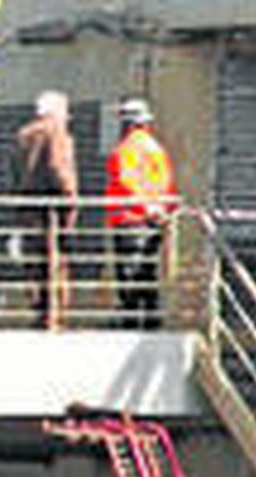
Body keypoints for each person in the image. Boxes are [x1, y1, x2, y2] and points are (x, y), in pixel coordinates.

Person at [105, 97, 175, 330]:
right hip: (153, 222)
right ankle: (152, 323)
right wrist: (163, 211)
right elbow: (167, 184)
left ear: (127, 123)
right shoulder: (156, 149)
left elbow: (126, 181)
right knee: (147, 273)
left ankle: (131, 325)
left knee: (129, 275)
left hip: (130, 220)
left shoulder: (127, 148)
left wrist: (146, 206)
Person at [13, 90, 79, 326]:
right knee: (55, 266)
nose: (67, 118)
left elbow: (14, 173)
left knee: (34, 266)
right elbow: (58, 168)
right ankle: (54, 320)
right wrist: (71, 201)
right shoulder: (56, 132)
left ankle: (39, 315)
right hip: (52, 211)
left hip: (28, 209)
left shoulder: (23, 135)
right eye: (65, 113)